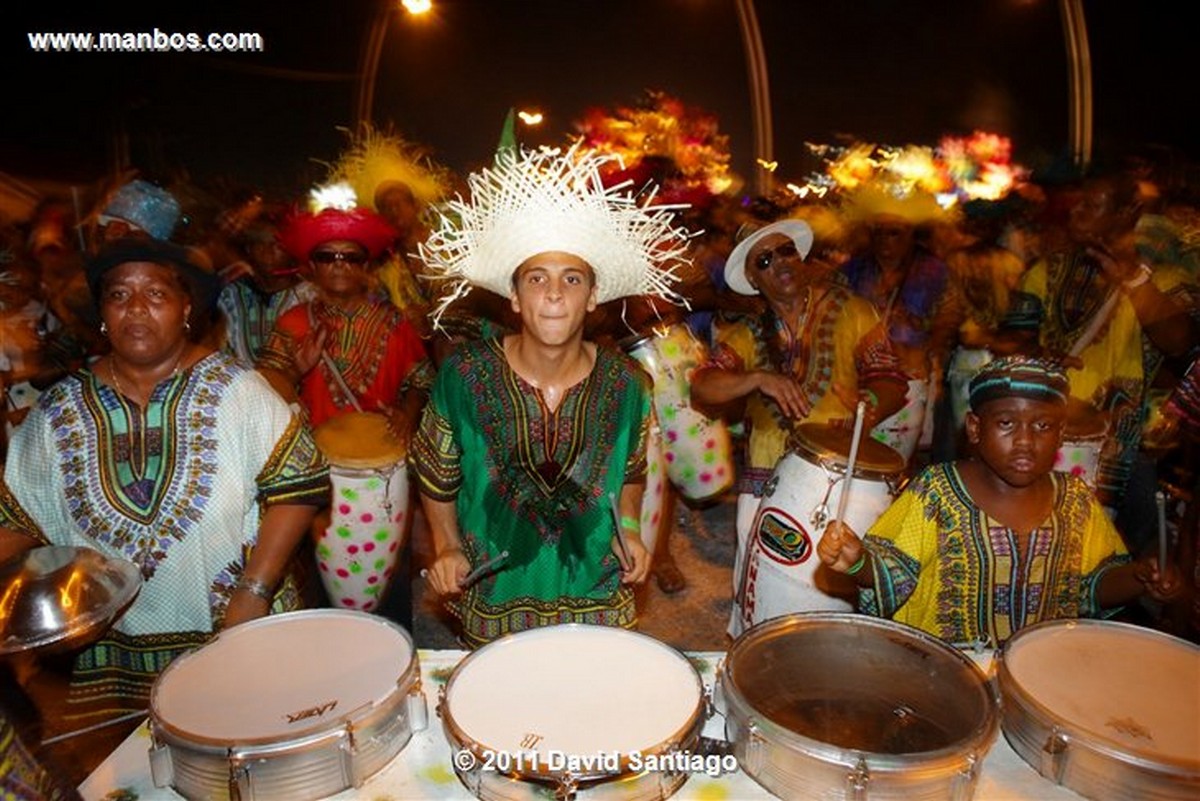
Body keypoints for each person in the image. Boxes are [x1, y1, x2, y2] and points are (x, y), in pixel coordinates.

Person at [0, 237, 329, 729]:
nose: (136, 308)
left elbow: (298, 487)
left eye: (156, 294)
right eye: (118, 295)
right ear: (103, 315)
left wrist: (255, 589)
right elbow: (15, 519)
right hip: (115, 655)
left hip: (232, 626)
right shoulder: (56, 412)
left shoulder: (239, 391)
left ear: (186, 309)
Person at [412, 144, 690, 648]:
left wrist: (629, 529)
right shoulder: (466, 375)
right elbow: (436, 472)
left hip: (597, 589)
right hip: (496, 592)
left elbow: (630, 473)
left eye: (572, 278)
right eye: (537, 279)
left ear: (593, 297)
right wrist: (447, 546)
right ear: (515, 298)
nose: (555, 294)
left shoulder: (628, 383)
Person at [817, 356, 1183, 648]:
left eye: (1042, 426)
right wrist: (857, 563)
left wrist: (1139, 578)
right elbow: (892, 575)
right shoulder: (937, 490)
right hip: (943, 678)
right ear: (975, 429)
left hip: (1041, 680)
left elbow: (1091, 587)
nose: (1025, 441)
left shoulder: (1076, 501)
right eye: (1007, 423)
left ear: (1060, 434)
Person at [690, 217, 908, 636]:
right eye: (765, 260)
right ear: (753, 278)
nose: (780, 264)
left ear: (801, 256)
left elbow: (890, 376)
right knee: (762, 593)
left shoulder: (853, 310)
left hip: (847, 479)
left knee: (839, 595)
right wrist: (758, 378)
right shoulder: (747, 332)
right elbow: (704, 387)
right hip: (766, 478)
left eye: (785, 251)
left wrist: (872, 402)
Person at [256, 202, 432, 432]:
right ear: (312, 266)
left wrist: (408, 415)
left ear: (365, 266)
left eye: (351, 257)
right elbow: (259, 394)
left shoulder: (395, 321)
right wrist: (295, 371)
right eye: (326, 257)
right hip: (311, 458)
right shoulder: (292, 322)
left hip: (383, 458)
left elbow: (422, 382)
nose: (339, 264)